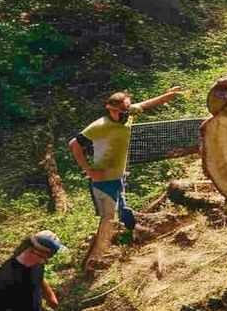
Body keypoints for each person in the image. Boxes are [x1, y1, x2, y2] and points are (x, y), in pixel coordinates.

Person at [69, 87, 186, 271]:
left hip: (118, 177)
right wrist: (89, 170)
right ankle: (91, 262)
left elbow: (147, 104)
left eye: (128, 108)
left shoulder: (128, 113)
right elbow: (74, 144)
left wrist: (168, 95)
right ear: (112, 109)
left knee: (125, 214)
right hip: (103, 180)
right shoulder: (99, 126)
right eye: (124, 109)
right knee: (108, 219)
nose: (128, 112)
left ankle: (132, 241)